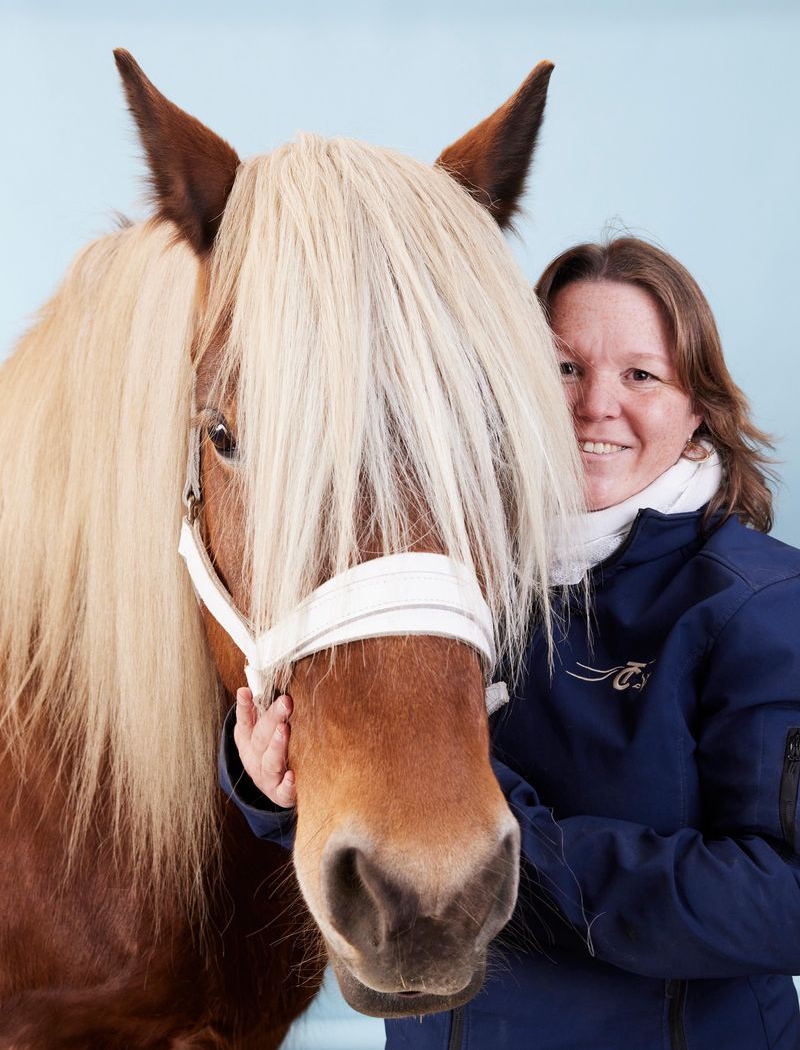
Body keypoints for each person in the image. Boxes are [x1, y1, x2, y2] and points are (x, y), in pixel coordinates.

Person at [220, 237, 800, 1050]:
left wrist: (512, 841)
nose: (596, 404)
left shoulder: (763, 604)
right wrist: (277, 783)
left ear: (698, 404)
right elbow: (391, 829)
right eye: (565, 368)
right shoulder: (457, 577)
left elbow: (783, 901)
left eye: (641, 374)